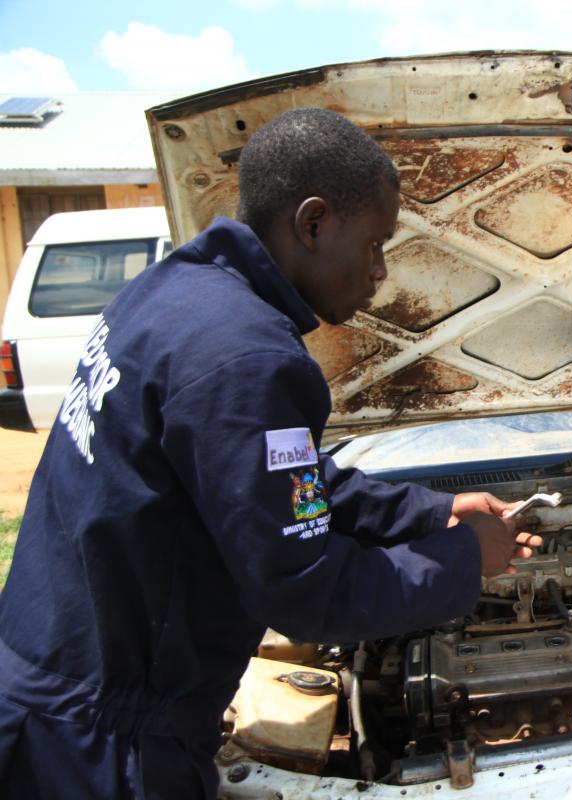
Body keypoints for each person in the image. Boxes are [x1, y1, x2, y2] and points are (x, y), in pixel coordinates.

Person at [0, 108, 539, 799]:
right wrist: (468, 558)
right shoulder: (247, 359)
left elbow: (283, 484)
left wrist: (429, 510)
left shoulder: (171, 294)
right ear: (313, 223)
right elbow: (308, 593)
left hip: (55, 670)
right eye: (375, 243)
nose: (380, 272)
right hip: (104, 742)